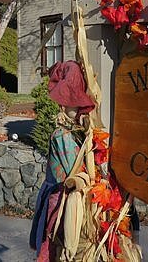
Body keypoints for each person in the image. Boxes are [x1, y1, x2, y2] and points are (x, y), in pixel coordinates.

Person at [30, 61, 95, 260]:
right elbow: (71, 172)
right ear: (62, 104)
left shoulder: (76, 133)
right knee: (58, 247)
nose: (77, 106)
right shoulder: (62, 135)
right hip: (61, 200)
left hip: (70, 199)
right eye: (71, 100)